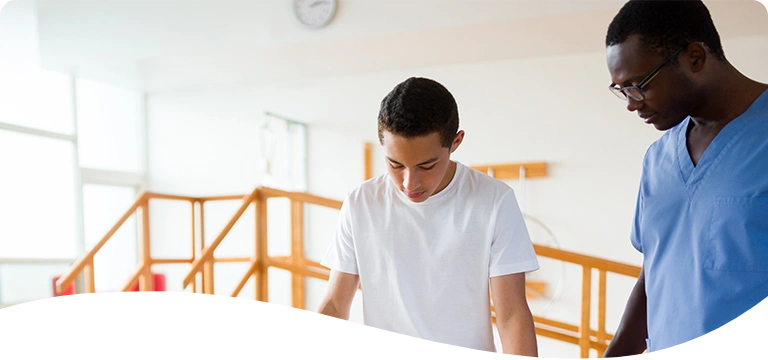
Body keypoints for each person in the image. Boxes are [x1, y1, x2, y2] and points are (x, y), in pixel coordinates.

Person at [315, 76, 540, 356]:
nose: (409, 183)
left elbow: (512, 315)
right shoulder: (360, 202)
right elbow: (336, 305)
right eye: (395, 164)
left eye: (426, 165)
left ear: (455, 142)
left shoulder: (494, 201)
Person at [602, 0, 768, 356]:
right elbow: (659, 266)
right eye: (622, 90)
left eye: (639, 85)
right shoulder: (658, 160)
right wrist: (619, 350)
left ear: (694, 57)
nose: (632, 103)